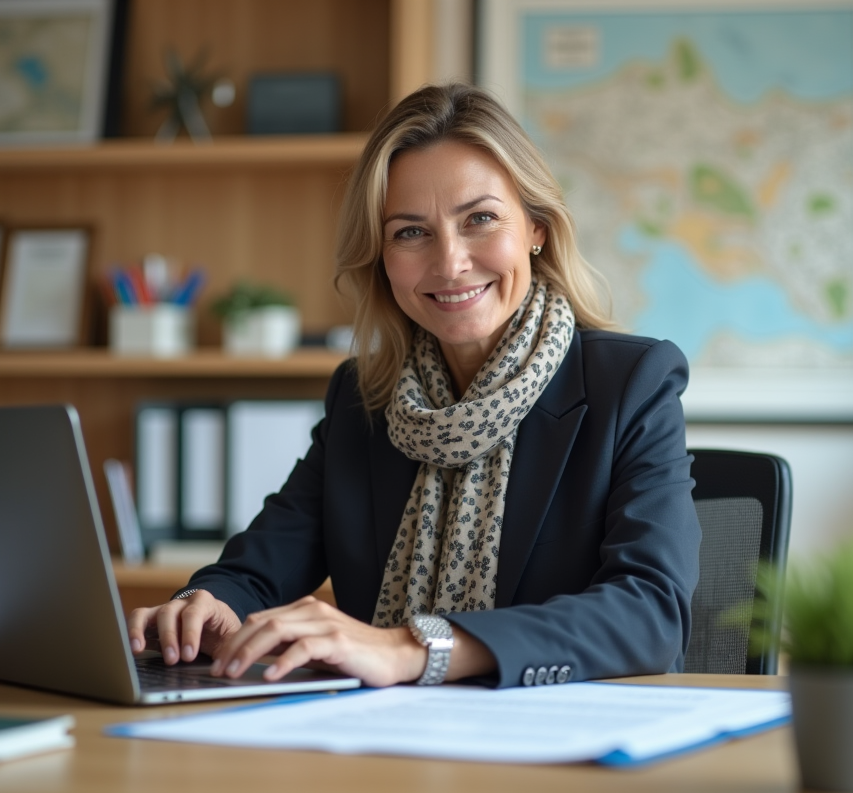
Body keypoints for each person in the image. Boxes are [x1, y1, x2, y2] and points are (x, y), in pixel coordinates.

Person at [128, 83, 702, 689]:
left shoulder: (629, 384)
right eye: (410, 232)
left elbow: (651, 612)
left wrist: (413, 647)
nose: (450, 262)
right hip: (390, 746)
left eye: (480, 219)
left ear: (536, 227)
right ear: (381, 254)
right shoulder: (363, 399)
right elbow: (257, 569)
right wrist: (206, 603)